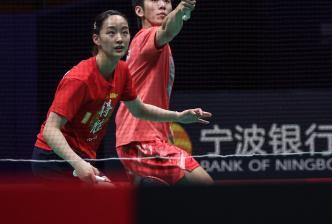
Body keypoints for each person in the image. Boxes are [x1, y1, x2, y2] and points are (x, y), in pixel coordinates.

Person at [33, 10, 211, 184]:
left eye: (124, 32)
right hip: (54, 158)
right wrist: (77, 163)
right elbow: (50, 131)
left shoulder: (122, 71)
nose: (119, 39)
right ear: (97, 39)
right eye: (111, 33)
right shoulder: (80, 79)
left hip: (82, 156)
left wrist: (178, 116)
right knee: (109, 200)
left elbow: (139, 110)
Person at [115, 0, 213, 185]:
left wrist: (167, 134)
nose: (162, 5)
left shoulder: (155, 46)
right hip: (140, 139)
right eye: (155, 0)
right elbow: (169, 29)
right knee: (205, 185)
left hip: (140, 139)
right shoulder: (145, 37)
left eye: (166, 1)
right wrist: (181, 9)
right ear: (139, 11)